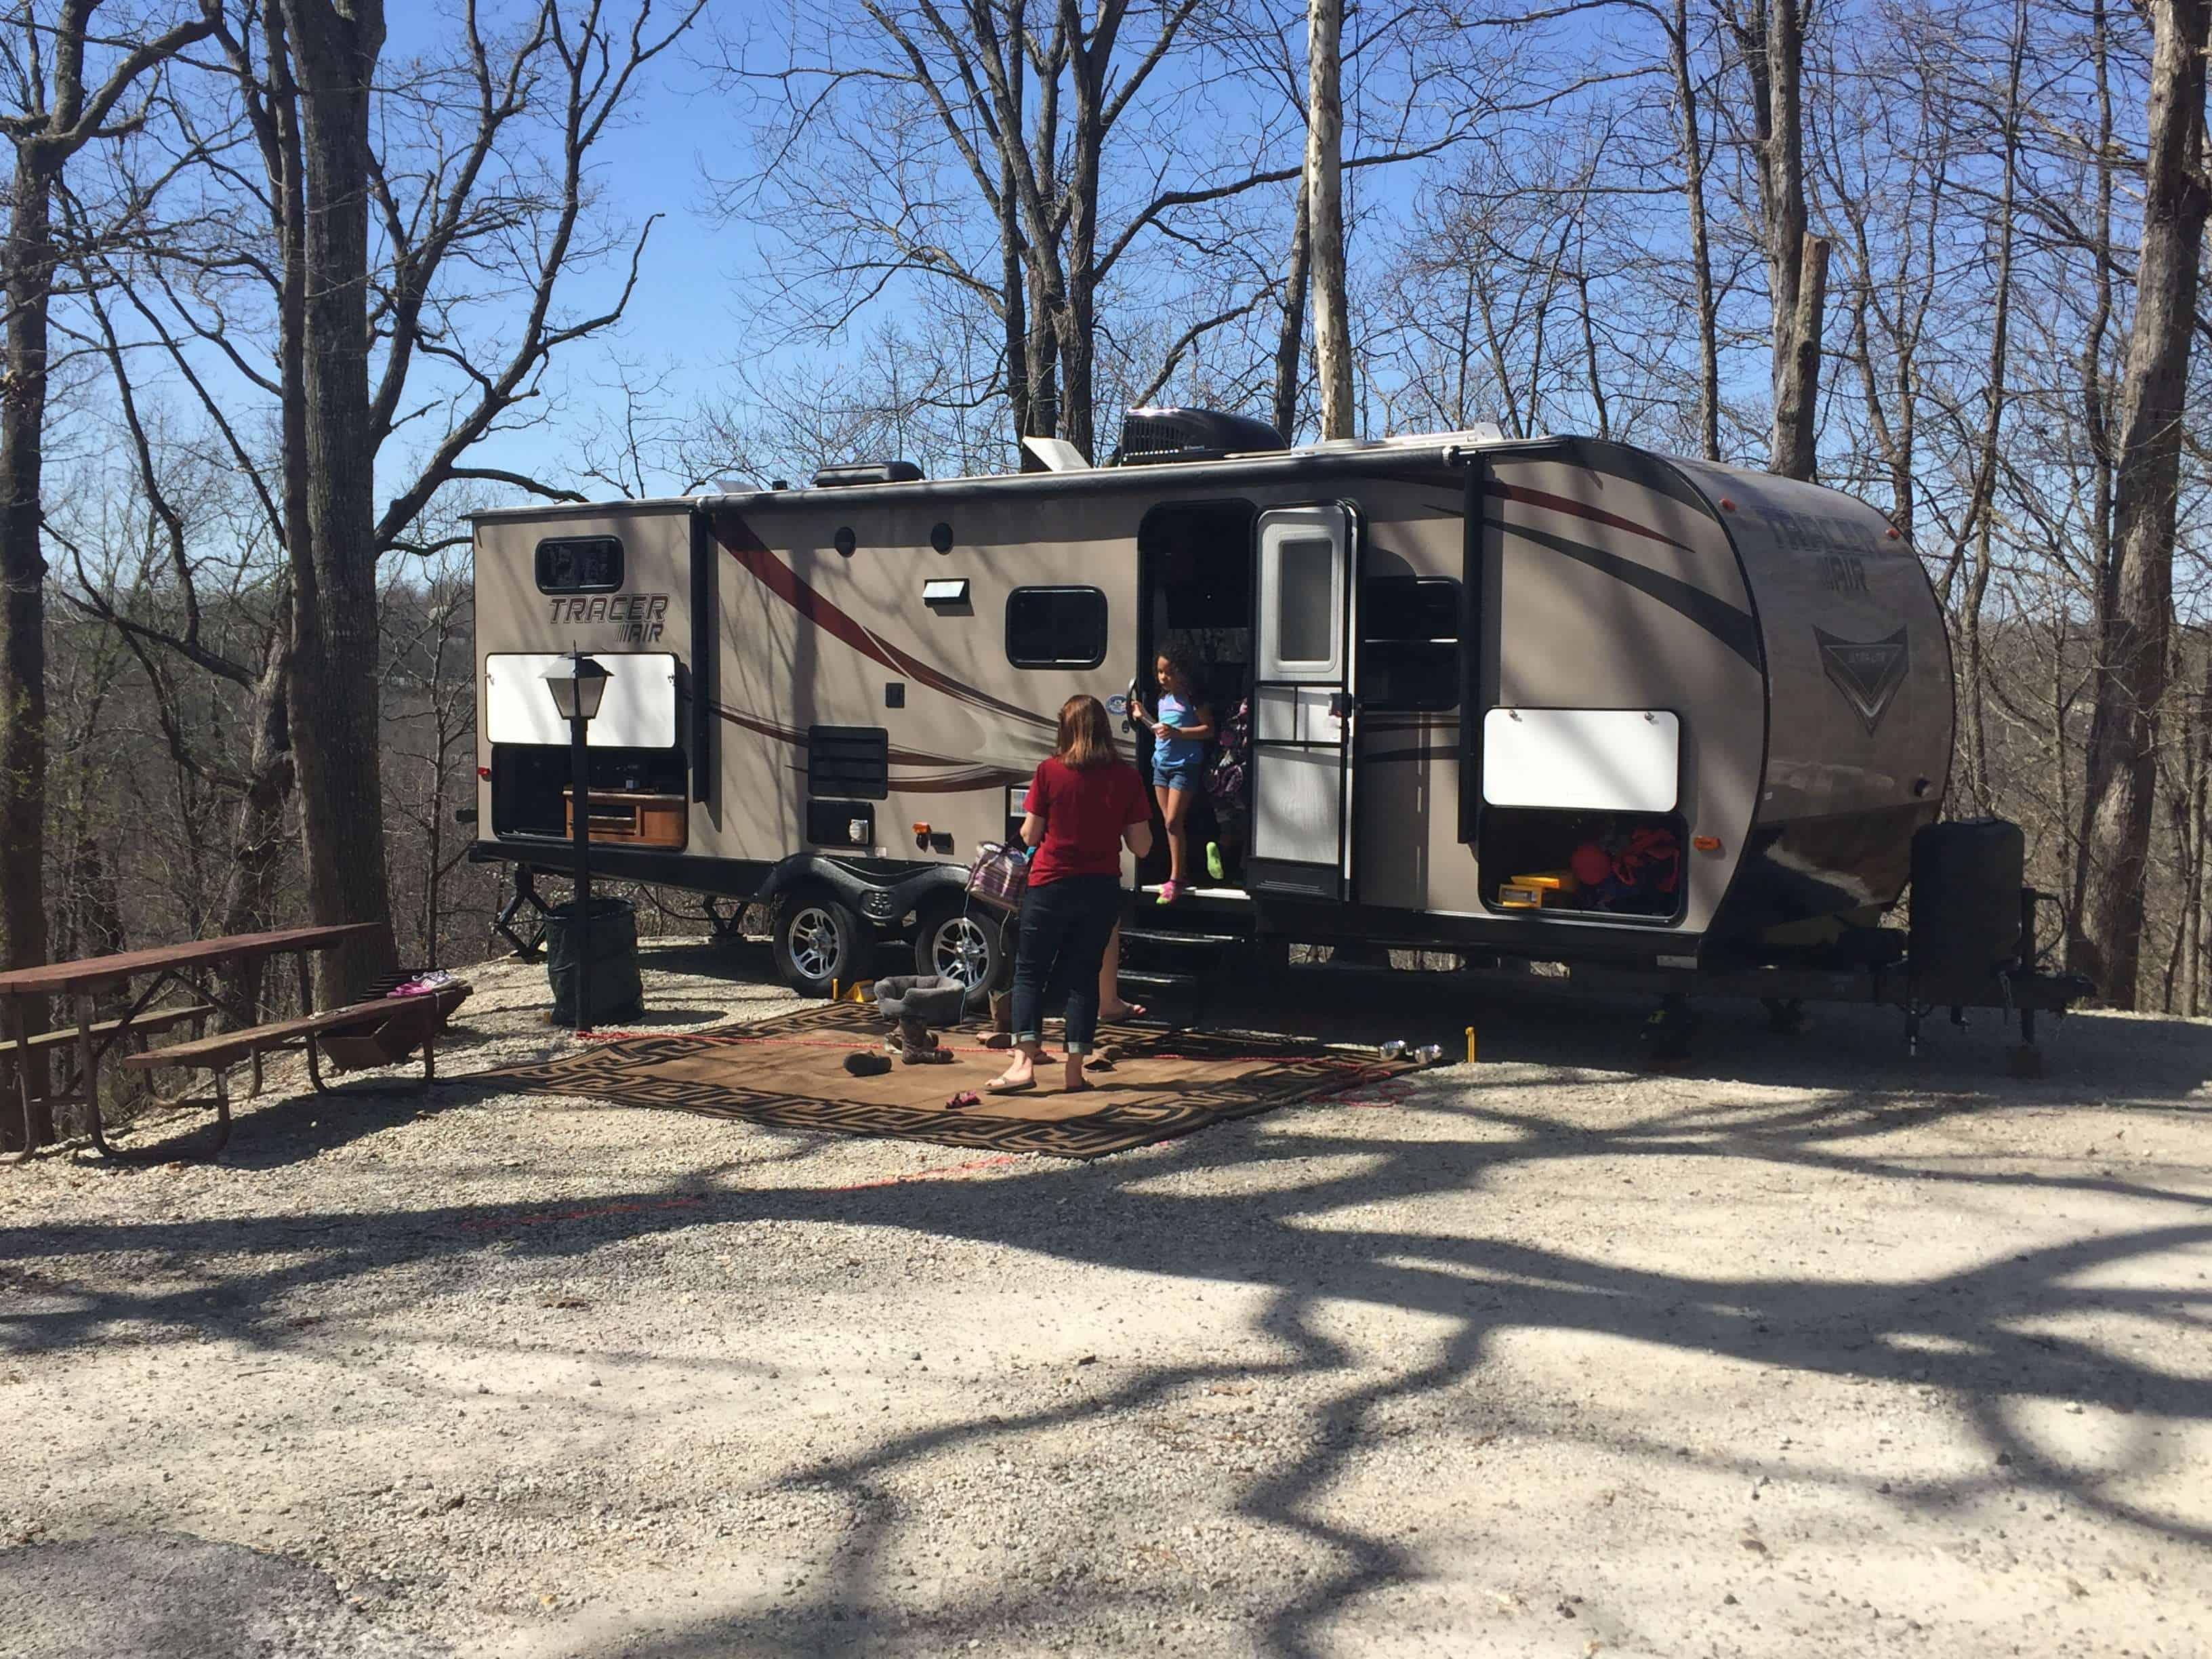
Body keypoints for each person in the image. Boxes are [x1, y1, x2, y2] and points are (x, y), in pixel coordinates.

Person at [987, 695, 1153, 1094]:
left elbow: (1030, 834)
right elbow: (1142, 846)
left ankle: (1024, 1065)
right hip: (1099, 888)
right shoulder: (1126, 777)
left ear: (1066, 729)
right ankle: (1074, 1072)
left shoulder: (1049, 772)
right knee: (1084, 979)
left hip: (1050, 884)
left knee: (1030, 972)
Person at [1135, 649, 1214, 903]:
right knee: (1170, 823)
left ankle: (1176, 879)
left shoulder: (1193, 700)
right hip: (1161, 764)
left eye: (1169, 672)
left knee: (1172, 821)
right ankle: (1179, 874)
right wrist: (1144, 717)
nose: (1163, 677)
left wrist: (1178, 732)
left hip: (1185, 765)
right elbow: (1161, 732)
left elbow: (1208, 730)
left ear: (1183, 672)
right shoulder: (1163, 700)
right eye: (1160, 672)